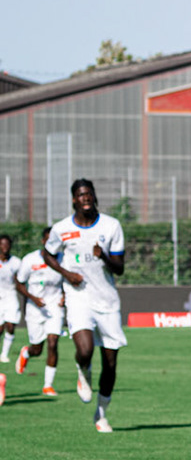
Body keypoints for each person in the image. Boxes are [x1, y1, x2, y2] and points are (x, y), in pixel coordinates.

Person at [43, 180, 127, 432]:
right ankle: (82, 370)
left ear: (94, 197)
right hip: (78, 296)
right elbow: (47, 253)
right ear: (73, 200)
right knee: (85, 349)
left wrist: (104, 256)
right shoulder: (61, 228)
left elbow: (120, 268)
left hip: (107, 300)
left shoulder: (112, 226)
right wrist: (66, 273)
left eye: (89, 193)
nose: (86, 198)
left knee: (110, 363)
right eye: (81, 195)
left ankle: (101, 416)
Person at [16, 228, 65, 397]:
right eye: (48, 239)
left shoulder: (64, 259)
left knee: (53, 342)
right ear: (43, 241)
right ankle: (27, 352)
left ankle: (48, 385)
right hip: (35, 308)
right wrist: (32, 297)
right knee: (38, 348)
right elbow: (19, 283)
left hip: (55, 306)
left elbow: (69, 279)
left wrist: (64, 296)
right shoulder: (30, 259)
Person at [0, 235, 19, 379]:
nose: (5, 247)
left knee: (11, 326)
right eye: (2, 244)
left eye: (7, 244)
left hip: (11, 296)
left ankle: (4, 354)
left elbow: (20, 280)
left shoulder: (16, 262)